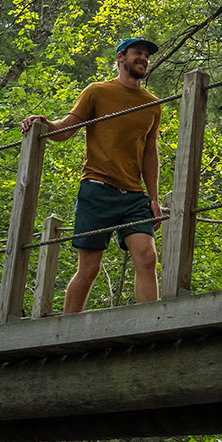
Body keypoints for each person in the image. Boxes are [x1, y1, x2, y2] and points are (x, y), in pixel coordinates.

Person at [22, 37, 163, 313]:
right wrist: (44, 124)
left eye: (146, 55)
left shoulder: (153, 104)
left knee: (147, 258)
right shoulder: (97, 92)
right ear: (121, 57)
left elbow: (150, 153)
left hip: (134, 196)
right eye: (138, 53)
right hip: (97, 189)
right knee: (89, 268)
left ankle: (152, 326)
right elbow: (66, 130)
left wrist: (154, 198)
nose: (143, 58)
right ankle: (65, 332)